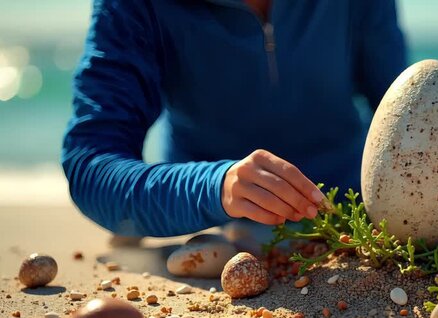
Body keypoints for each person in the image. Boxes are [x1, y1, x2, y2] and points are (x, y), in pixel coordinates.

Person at [61, 0, 407, 240]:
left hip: (350, 213)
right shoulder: (137, 7)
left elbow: (404, 116)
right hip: (206, 224)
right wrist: (214, 185)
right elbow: (90, 163)